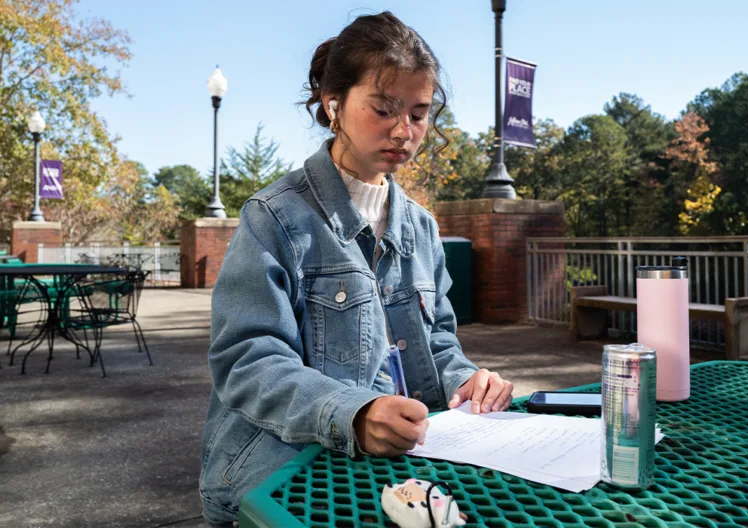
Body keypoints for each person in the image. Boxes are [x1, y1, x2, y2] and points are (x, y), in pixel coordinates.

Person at [199, 11, 514, 526]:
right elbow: (247, 361)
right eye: (384, 109)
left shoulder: (422, 228)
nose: (404, 130)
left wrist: (467, 382)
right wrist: (355, 412)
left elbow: (437, 342)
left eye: (418, 112)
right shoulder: (274, 217)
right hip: (283, 477)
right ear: (334, 105)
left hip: (397, 479)